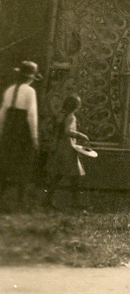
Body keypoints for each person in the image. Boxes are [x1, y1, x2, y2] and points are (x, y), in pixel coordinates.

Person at [0, 61, 40, 208]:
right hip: (22, 130)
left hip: (10, 129)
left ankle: (4, 195)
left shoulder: (10, 89)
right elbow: (32, 116)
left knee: (6, 160)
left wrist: (1, 131)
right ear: (30, 78)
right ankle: (21, 199)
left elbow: (2, 112)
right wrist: (34, 137)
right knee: (24, 162)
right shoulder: (30, 92)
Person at [45, 95, 89, 209]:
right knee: (74, 177)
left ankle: (48, 199)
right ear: (75, 106)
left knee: (58, 175)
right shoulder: (71, 117)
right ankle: (75, 202)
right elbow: (67, 131)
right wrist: (81, 135)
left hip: (60, 147)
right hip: (68, 149)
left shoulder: (61, 115)